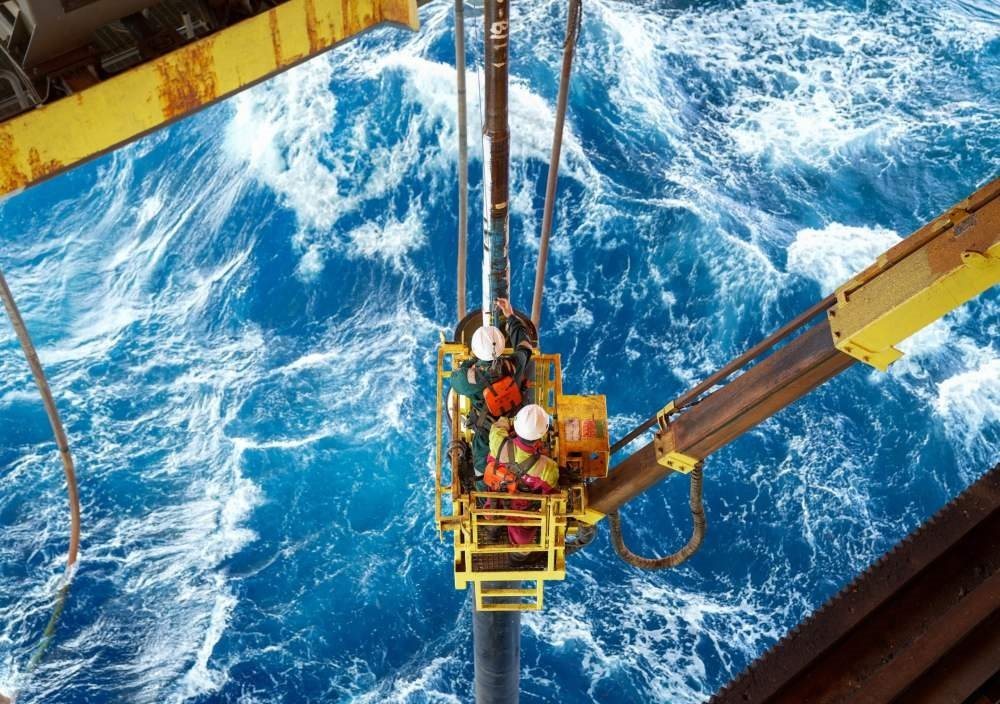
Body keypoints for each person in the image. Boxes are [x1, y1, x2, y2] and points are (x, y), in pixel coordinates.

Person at [449, 297, 534, 485]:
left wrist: (472, 362)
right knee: (518, 459)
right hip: (515, 425)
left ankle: (483, 492)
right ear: (502, 346)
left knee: (482, 469)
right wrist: (510, 316)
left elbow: (455, 379)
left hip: (486, 433)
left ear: (476, 350)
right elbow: (525, 346)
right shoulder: (513, 365)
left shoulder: (469, 378)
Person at [484, 404, 560, 546]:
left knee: (491, 514)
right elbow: (551, 493)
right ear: (541, 435)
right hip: (520, 507)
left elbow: (500, 424)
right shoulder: (548, 468)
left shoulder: (497, 439)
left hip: (496, 493)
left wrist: (512, 422)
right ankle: (517, 553)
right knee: (522, 538)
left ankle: (492, 532)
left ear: (518, 426)